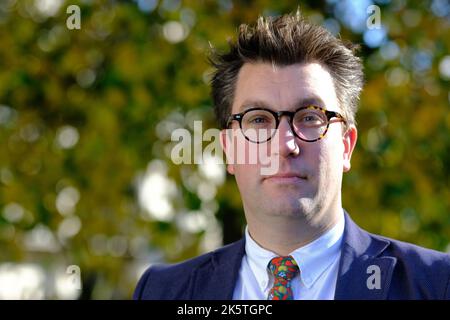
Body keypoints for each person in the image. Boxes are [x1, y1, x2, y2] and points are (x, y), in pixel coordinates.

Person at [134, 11, 450, 300]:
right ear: (229, 149)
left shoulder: (436, 284)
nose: (285, 144)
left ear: (346, 145)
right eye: (258, 119)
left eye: (310, 117)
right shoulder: (163, 292)